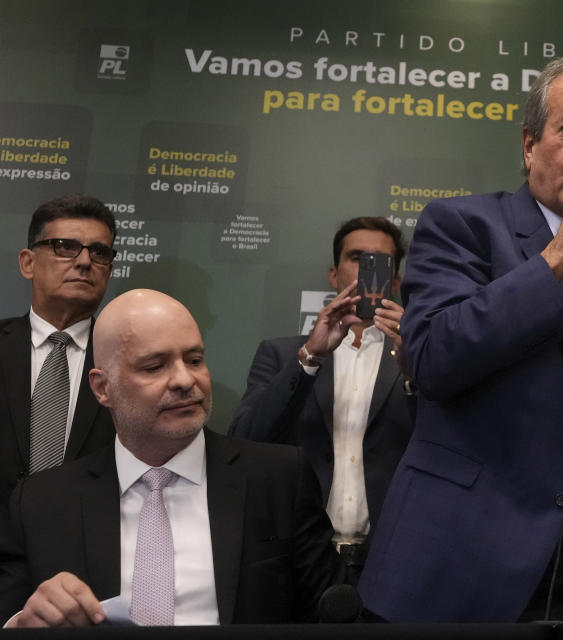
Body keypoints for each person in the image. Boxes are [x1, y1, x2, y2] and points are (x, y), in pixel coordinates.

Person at [358, 58, 563, 622]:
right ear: (528, 144)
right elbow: (433, 359)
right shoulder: (461, 225)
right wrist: (554, 263)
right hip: (479, 552)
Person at [0, 289, 343, 626]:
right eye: (154, 367)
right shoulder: (41, 503)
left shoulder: (279, 479)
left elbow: (331, 614)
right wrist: (25, 623)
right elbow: (10, 615)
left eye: (194, 360)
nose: (184, 379)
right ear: (103, 388)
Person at [229, 216, 413, 584]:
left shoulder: (417, 356)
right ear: (334, 274)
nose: (366, 270)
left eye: (379, 262)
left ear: (394, 281)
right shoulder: (282, 355)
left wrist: (417, 369)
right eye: (356, 258)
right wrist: (309, 357)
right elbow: (245, 440)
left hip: (395, 557)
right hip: (300, 557)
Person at [0, 194, 118, 507]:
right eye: (65, 246)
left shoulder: (129, 359)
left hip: (87, 546)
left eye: (99, 252)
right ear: (28, 262)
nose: (84, 261)